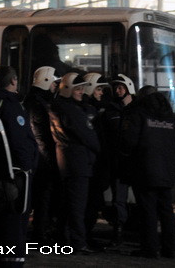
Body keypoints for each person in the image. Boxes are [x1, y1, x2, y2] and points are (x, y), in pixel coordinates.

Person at [0, 65, 38, 266]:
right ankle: (11, 263)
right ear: (13, 81)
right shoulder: (10, 104)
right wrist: (27, 166)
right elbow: (18, 139)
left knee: (0, 223)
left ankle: (1, 261)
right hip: (16, 174)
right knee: (15, 223)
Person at [120, 85, 175, 259]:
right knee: (166, 211)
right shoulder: (171, 116)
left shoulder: (139, 113)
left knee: (147, 210)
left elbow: (128, 141)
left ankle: (150, 248)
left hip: (144, 169)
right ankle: (170, 248)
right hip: (167, 170)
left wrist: (126, 157)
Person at [50, 72, 100, 254]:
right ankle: (78, 243)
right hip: (78, 163)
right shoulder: (72, 111)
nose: (81, 92)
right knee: (78, 206)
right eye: (77, 88)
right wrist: (98, 149)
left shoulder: (58, 107)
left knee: (68, 203)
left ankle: (64, 239)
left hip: (66, 161)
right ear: (68, 89)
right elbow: (88, 136)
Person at [24, 66, 59, 242]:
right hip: (42, 159)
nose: (55, 86)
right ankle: (39, 234)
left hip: (37, 158)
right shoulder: (38, 103)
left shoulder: (34, 100)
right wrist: (49, 159)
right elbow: (41, 134)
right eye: (53, 82)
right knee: (42, 197)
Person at [103, 74, 136, 247]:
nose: (117, 90)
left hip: (135, 162)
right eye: (115, 87)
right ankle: (118, 233)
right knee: (119, 200)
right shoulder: (111, 110)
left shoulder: (137, 111)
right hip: (118, 162)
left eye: (120, 87)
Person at [81, 72, 110, 248]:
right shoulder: (88, 110)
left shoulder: (96, 109)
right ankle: (84, 237)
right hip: (91, 166)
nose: (101, 93)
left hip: (94, 165)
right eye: (98, 89)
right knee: (89, 204)